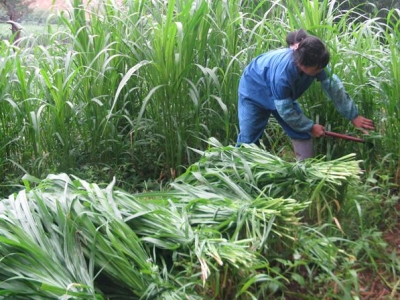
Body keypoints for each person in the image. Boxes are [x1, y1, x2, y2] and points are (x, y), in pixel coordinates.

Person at [236, 29, 375, 160]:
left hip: (280, 93)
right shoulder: (283, 76)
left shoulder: (316, 61)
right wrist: (310, 126)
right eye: (317, 70)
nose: (320, 71)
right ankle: (240, 172)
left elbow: (334, 87)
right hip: (253, 90)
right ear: (302, 65)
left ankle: (305, 171)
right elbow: (286, 110)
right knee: (249, 140)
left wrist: (353, 116)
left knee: (300, 131)